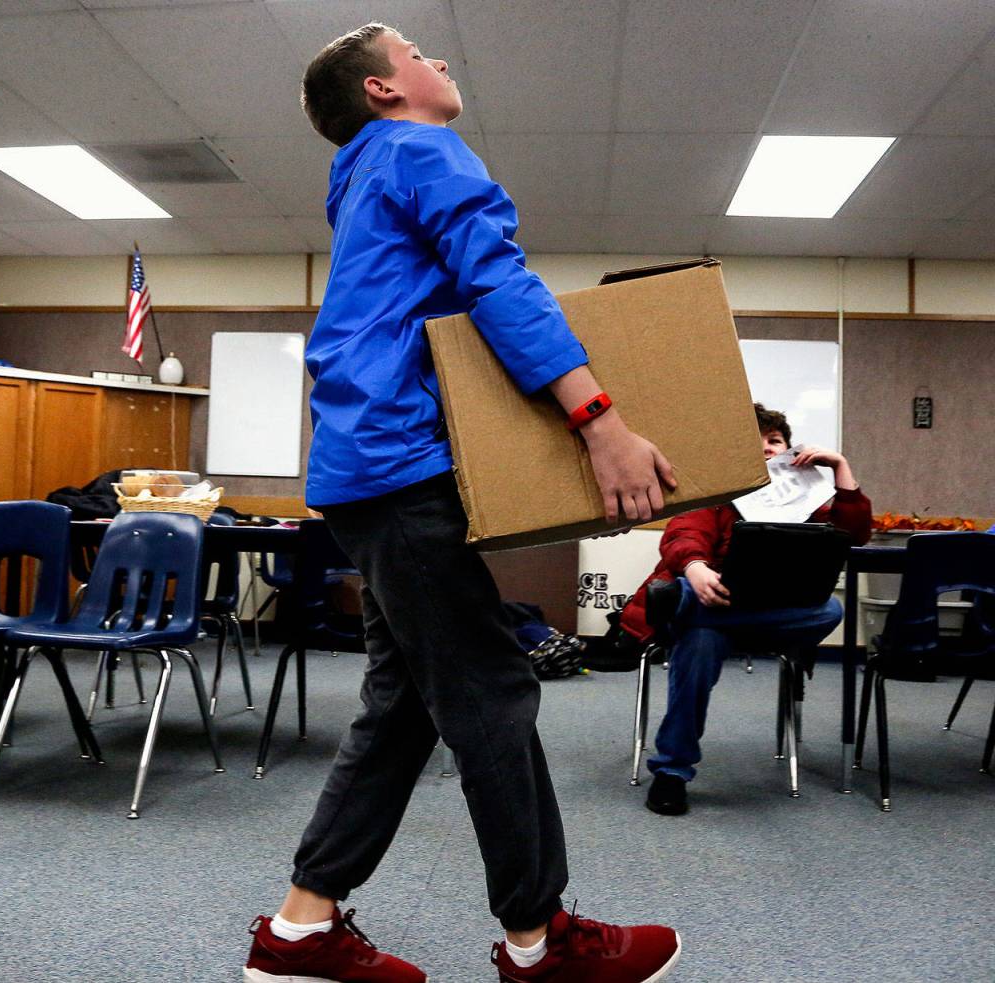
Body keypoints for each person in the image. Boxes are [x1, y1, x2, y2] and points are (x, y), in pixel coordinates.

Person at [244, 23, 682, 983]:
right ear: (381, 87)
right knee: (491, 689)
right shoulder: (418, 146)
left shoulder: (365, 172)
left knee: (405, 705)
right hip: (399, 467)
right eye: (419, 53)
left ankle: (300, 932)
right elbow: (498, 281)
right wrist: (598, 423)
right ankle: (540, 940)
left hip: (364, 471)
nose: (441, 63)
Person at [618, 403, 872, 817]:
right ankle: (672, 773)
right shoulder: (719, 493)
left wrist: (839, 467)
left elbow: (854, 536)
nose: (768, 451)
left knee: (828, 610)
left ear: (791, 450)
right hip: (714, 607)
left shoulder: (804, 498)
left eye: (775, 443)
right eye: (756, 446)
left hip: (773, 618)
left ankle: (678, 602)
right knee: (698, 644)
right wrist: (697, 570)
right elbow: (685, 532)